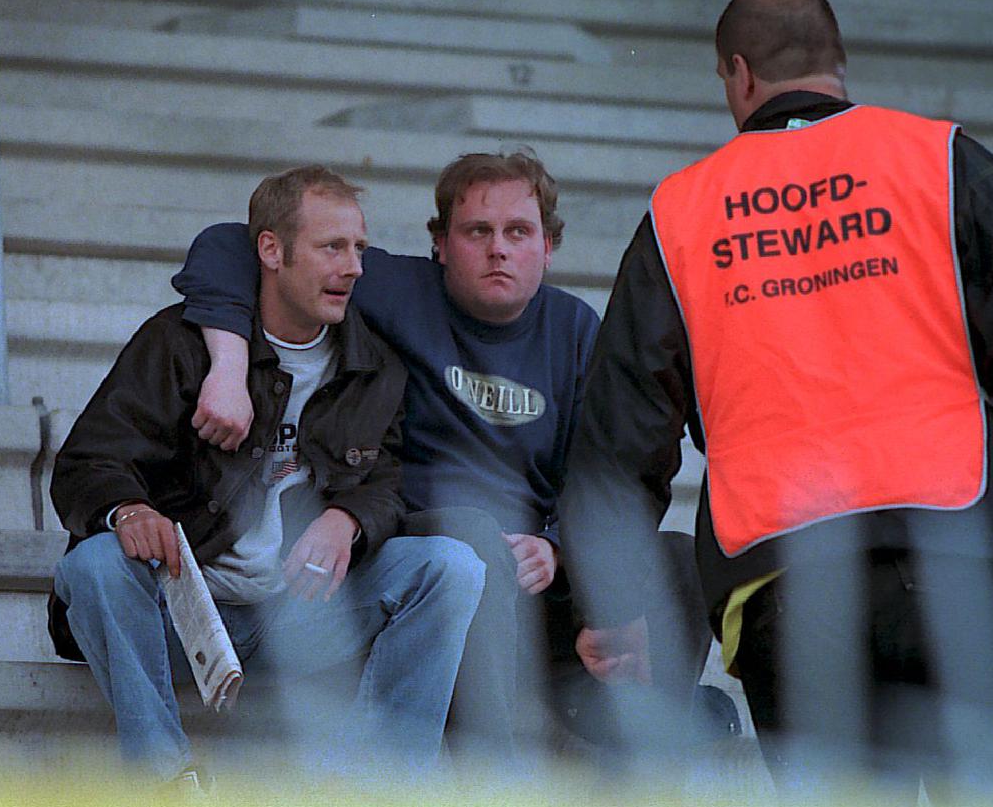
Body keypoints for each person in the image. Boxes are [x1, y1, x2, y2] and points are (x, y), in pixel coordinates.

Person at [560, 0, 993, 804]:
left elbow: (622, 425)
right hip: (968, 549)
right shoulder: (944, 161)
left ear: (738, 74)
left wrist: (611, 599)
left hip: (787, 580)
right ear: (839, 62)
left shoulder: (680, 213)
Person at [173, 151, 710, 764]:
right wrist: (229, 366)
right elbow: (228, 248)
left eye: (518, 232)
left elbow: (603, 468)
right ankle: (491, 773)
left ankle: (638, 740)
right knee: (469, 535)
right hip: (435, 552)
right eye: (477, 231)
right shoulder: (395, 291)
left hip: (535, 581)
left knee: (679, 558)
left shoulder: (577, 329)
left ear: (548, 247)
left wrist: (559, 547)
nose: (498, 249)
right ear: (440, 244)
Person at [47, 165, 484, 783]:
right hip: (181, 612)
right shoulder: (181, 344)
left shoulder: (374, 365)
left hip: (300, 615)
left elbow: (387, 481)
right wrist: (129, 510)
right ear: (271, 251)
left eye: (358, 247)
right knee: (92, 566)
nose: (355, 267)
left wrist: (349, 518)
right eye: (332, 247)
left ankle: (382, 798)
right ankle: (163, 787)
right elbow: (88, 462)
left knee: (451, 566)